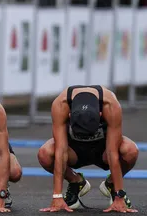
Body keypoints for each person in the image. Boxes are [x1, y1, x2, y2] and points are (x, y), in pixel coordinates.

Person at [37, 85, 139, 213]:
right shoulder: (61, 104)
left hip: (104, 149)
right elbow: (61, 150)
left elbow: (112, 152)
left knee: (130, 150)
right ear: (69, 114)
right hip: (73, 150)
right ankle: (76, 182)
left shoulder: (111, 104)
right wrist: (57, 196)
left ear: (100, 114)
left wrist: (119, 196)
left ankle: (112, 184)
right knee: (44, 154)